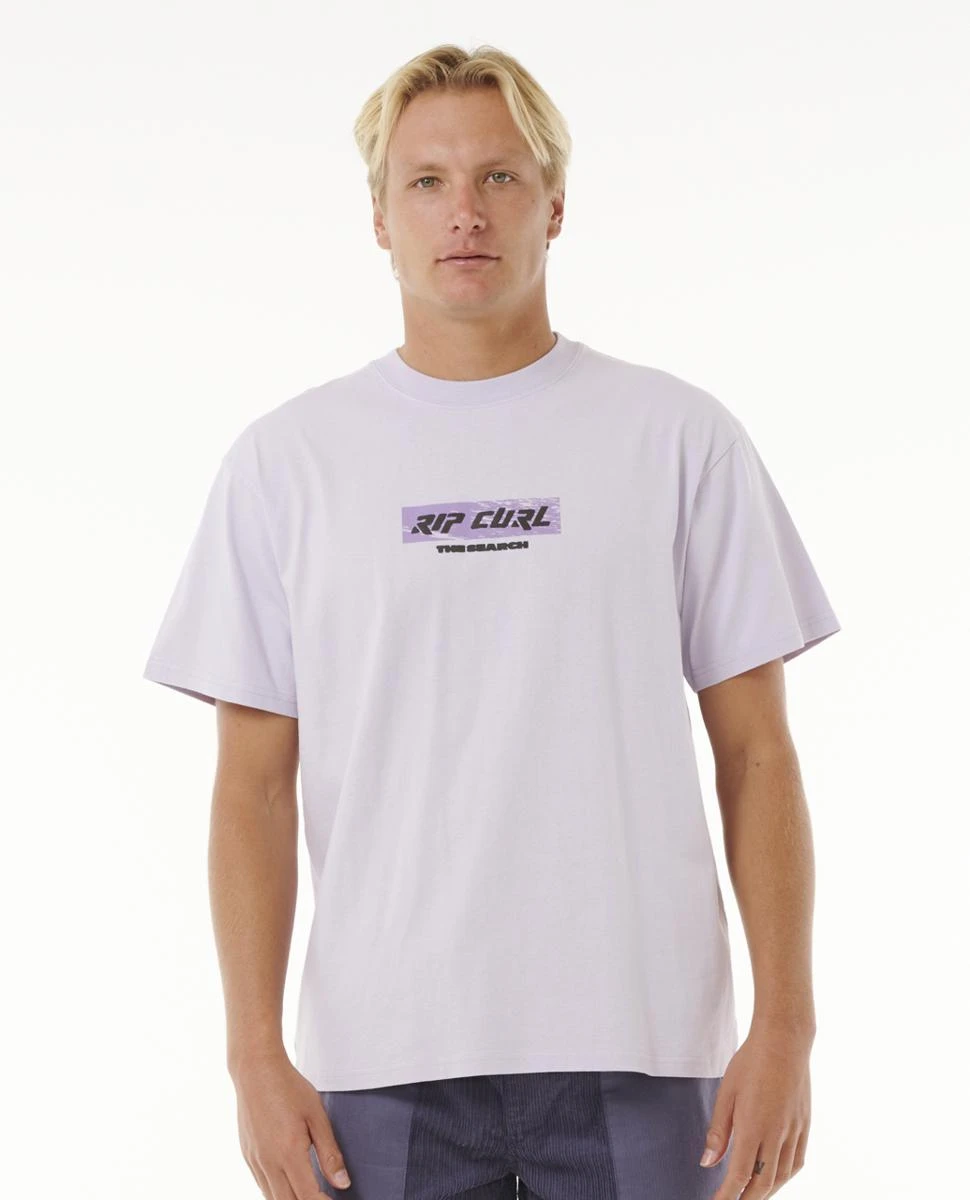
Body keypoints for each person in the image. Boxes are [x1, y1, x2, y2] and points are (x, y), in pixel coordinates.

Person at [142, 42, 841, 1200]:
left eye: (499, 176)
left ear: (554, 203)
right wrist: (252, 1054)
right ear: (379, 217)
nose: (463, 211)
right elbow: (252, 787)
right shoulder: (287, 464)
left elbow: (758, 752)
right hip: (381, 1060)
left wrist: (787, 1029)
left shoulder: (676, 438)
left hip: (642, 1045)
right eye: (426, 181)